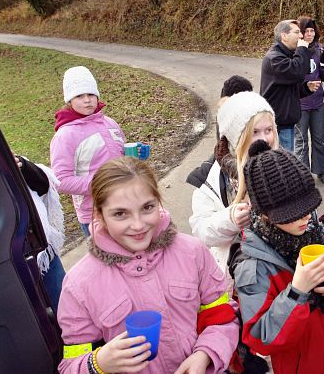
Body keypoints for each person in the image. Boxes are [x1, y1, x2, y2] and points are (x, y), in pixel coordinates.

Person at [58, 157, 239, 374]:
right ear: (99, 215)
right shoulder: (79, 284)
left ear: (158, 202)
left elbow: (223, 315)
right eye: (120, 214)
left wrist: (206, 354)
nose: (138, 225)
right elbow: (70, 365)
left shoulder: (192, 252)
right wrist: (97, 363)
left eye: (147, 207)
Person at [231, 140, 324, 374]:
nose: (306, 218)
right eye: (294, 213)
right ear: (266, 215)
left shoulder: (321, 234)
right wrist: (297, 291)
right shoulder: (254, 265)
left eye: (308, 208)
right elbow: (260, 338)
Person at [187, 91, 279, 287]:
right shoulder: (211, 177)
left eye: (268, 130)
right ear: (236, 137)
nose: (264, 139)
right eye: (255, 132)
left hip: (277, 271)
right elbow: (201, 231)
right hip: (233, 275)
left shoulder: (283, 167)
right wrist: (230, 219)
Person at [50, 66, 126, 236]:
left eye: (91, 94)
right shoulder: (65, 136)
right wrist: (101, 183)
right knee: (109, 254)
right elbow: (60, 181)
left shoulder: (109, 123)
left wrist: (135, 158)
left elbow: (123, 158)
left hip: (127, 202)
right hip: (95, 214)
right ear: (69, 101)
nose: (87, 100)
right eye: (79, 96)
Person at [15, 155, 66, 313]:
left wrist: (23, 165)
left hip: (41, 250)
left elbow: (42, 185)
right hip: (10, 262)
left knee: (66, 304)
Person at [260, 20, 314, 152]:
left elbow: (288, 88)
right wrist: (302, 49)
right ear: (284, 36)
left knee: (285, 160)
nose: (301, 36)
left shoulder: (285, 55)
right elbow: (297, 71)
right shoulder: (275, 58)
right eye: (297, 32)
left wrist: (306, 89)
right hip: (277, 125)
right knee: (281, 162)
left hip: (284, 123)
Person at [294, 16, 324, 184]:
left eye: (312, 31)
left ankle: (321, 171)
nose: (310, 34)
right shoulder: (294, 51)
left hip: (317, 103)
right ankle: (303, 176)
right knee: (301, 141)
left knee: (319, 139)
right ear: (300, 33)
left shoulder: (319, 49)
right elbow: (291, 76)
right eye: (306, 31)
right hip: (300, 104)